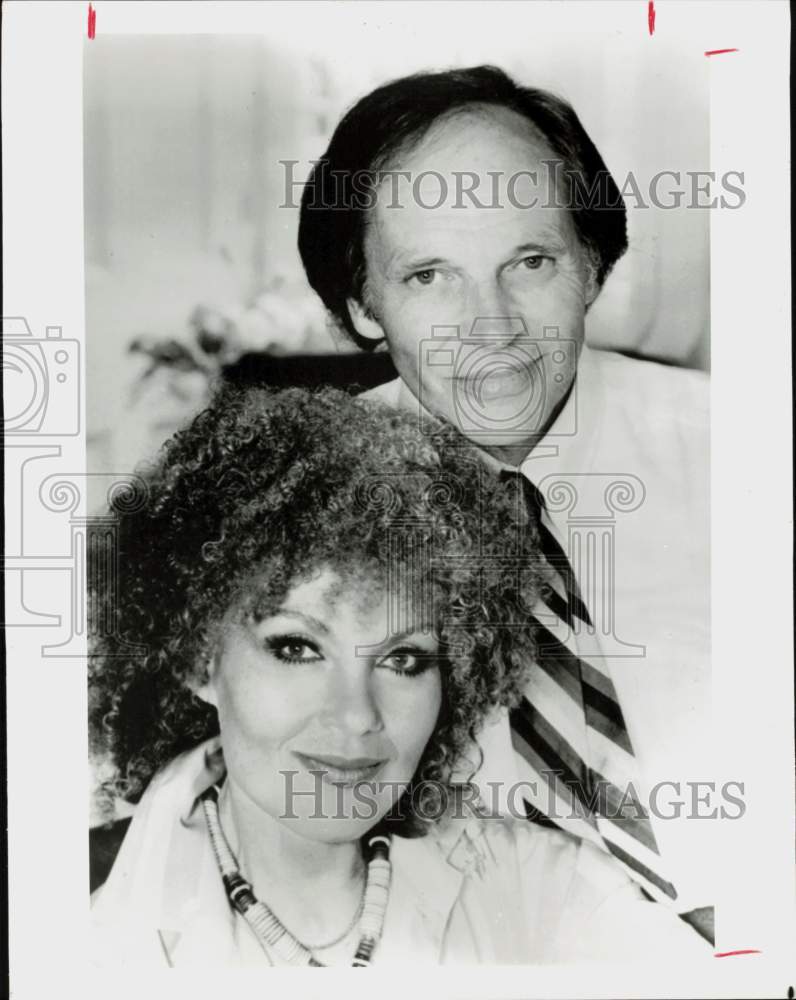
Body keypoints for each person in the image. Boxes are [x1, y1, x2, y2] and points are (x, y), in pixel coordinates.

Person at [88, 385, 708, 966]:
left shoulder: (538, 890)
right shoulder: (72, 917)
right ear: (198, 658)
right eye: (298, 648)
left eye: (403, 659)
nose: (358, 715)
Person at [298, 66, 711, 929]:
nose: (492, 327)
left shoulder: (741, 451)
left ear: (592, 265)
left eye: (529, 261)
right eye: (428, 277)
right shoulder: (291, 510)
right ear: (361, 304)